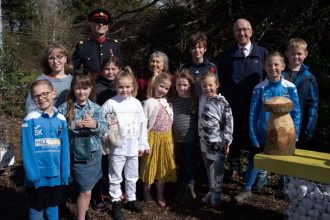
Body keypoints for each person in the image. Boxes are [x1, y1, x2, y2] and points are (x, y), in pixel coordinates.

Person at [234, 51, 300, 203]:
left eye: (276, 64)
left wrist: (294, 133)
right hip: (262, 134)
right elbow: (252, 113)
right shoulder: (259, 88)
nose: (273, 68)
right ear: (264, 67)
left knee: (286, 162)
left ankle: (288, 190)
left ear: (283, 66)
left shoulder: (290, 87)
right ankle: (247, 189)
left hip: (285, 135)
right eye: (269, 65)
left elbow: (296, 112)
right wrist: (253, 134)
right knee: (255, 161)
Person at [217, 18, 268, 180]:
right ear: (234, 34)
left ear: (251, 32)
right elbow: (221, 81)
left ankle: (255, 172)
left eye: (245, 29)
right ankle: (234, 168)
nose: (242, 33)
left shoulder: (262, 53)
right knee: (235, 138)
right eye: (238, 30)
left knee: (255, 140)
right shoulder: (226, 55)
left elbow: (270, 78)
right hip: (233, 107)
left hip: (256, 107)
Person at [102, 68, 149, 220]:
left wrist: (142, 144)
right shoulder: (110, 104)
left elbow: (142, 125)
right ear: (115, 86)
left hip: (133, 147)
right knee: (115, 175)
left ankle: (131, 199)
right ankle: (116, 201)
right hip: (117, 148)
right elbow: (103, 125)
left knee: (132, 175)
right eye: (121, 86)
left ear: (133, 87)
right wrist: (106, 141)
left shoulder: (136, 104)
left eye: (127, 87)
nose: (124, 90)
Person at [58, 73, 107, 220]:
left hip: (91, 155)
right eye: (78, 88)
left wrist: (95, 125)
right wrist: (74, 124)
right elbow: (57, 128)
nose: (81, 92)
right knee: (75, 188)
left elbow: (105, 128)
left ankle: (81, 215)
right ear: (73, 88)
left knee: (87, 189)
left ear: (91, 89)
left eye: (85, 88)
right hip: (70, 153)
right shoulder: (64, 108)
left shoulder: (97, 109)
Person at [21, 79, 70, 220]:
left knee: (53, 206)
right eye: (36, 96)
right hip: (37, 176)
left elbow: (65, 148)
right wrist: (32, 175)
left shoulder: (61, 119)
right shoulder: (30, 120)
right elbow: (27, 150)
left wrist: (64, 173)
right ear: (33, 98)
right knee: (36, 209)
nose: (41, 98)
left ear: (53, 93)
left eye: (45, 93)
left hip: (56, 175)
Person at [140, 72, 177, 208]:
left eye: (166, 88)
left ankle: (160, 194)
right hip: (153, 139)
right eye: (161, 86)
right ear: (155, 84)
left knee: (162, 166)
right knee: (150, 165)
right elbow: (143, 125)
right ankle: (147, 193)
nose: (163, 90)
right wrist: (144, 143)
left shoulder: (167, 102)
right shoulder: (148, 102)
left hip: (166, 138)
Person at [198, 72, 233, 209]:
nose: (207, 88)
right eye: (204, 86)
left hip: (217, 142)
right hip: (204, 141)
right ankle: (211, 190)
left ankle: (217, 193)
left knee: (218, 169)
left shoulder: (223, 103)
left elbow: (229, 124)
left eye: (210, 85)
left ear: (217, 85)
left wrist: (227, 141)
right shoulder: (202, 99)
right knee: (209, 168)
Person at [283, 38, 319, 148]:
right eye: (292, 53)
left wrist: (308, 131)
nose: (296, 57)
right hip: (279, 126)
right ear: (286, 54)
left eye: (299, 54)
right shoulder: (279, 75)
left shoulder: (309, 78)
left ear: (305, 54)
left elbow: (313, 105)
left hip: (300, 129)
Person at [172, 68, 199, 206]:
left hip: (190, 139)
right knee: (181, 166)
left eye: (185, 85)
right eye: (178, 85)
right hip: (177, 140)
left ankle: (191, 191)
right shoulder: (173, 100)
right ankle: (181, 190)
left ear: (190, 85)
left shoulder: (194, 100)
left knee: (190, 166)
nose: (181, 88)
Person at [72, 8, 123, 78]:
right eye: (97, 21)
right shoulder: (82, 46)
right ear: (91, 25)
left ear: (107, 27)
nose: (101, 24)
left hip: (111, 86)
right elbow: (73, 70)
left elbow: (121, 69)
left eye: (104, 22)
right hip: (91, 86)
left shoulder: (114, 45)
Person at [25, 42, 73, 115]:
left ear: (65, 59)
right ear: (47, 60)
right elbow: (31, 107)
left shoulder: (74, 81)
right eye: (51, 58)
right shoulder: (40, 81)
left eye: (59, 57)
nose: (55, 61)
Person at [180, 31, 218, 98]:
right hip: (188, 104)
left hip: (206, 103)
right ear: (190, 50)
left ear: (205, 49)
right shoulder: (184, 67)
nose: (197, 50)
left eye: (200, 47)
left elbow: (215, 87)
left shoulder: (211, 67)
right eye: (194, 48)